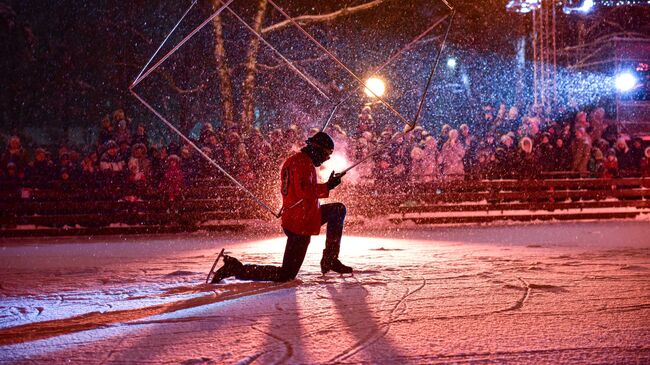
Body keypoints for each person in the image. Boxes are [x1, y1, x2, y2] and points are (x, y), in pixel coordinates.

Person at [211, 132, 351, 283]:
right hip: (299, 223)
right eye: (326, 153)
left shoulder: (297, 160)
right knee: (286, 275)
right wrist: (327, 186)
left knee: (337, 210)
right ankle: (236, 268)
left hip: (304, 215)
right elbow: (302, 191)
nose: (326, 158)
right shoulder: (302, 163)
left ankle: (330, 259)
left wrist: (325, 187)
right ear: (317, 149)